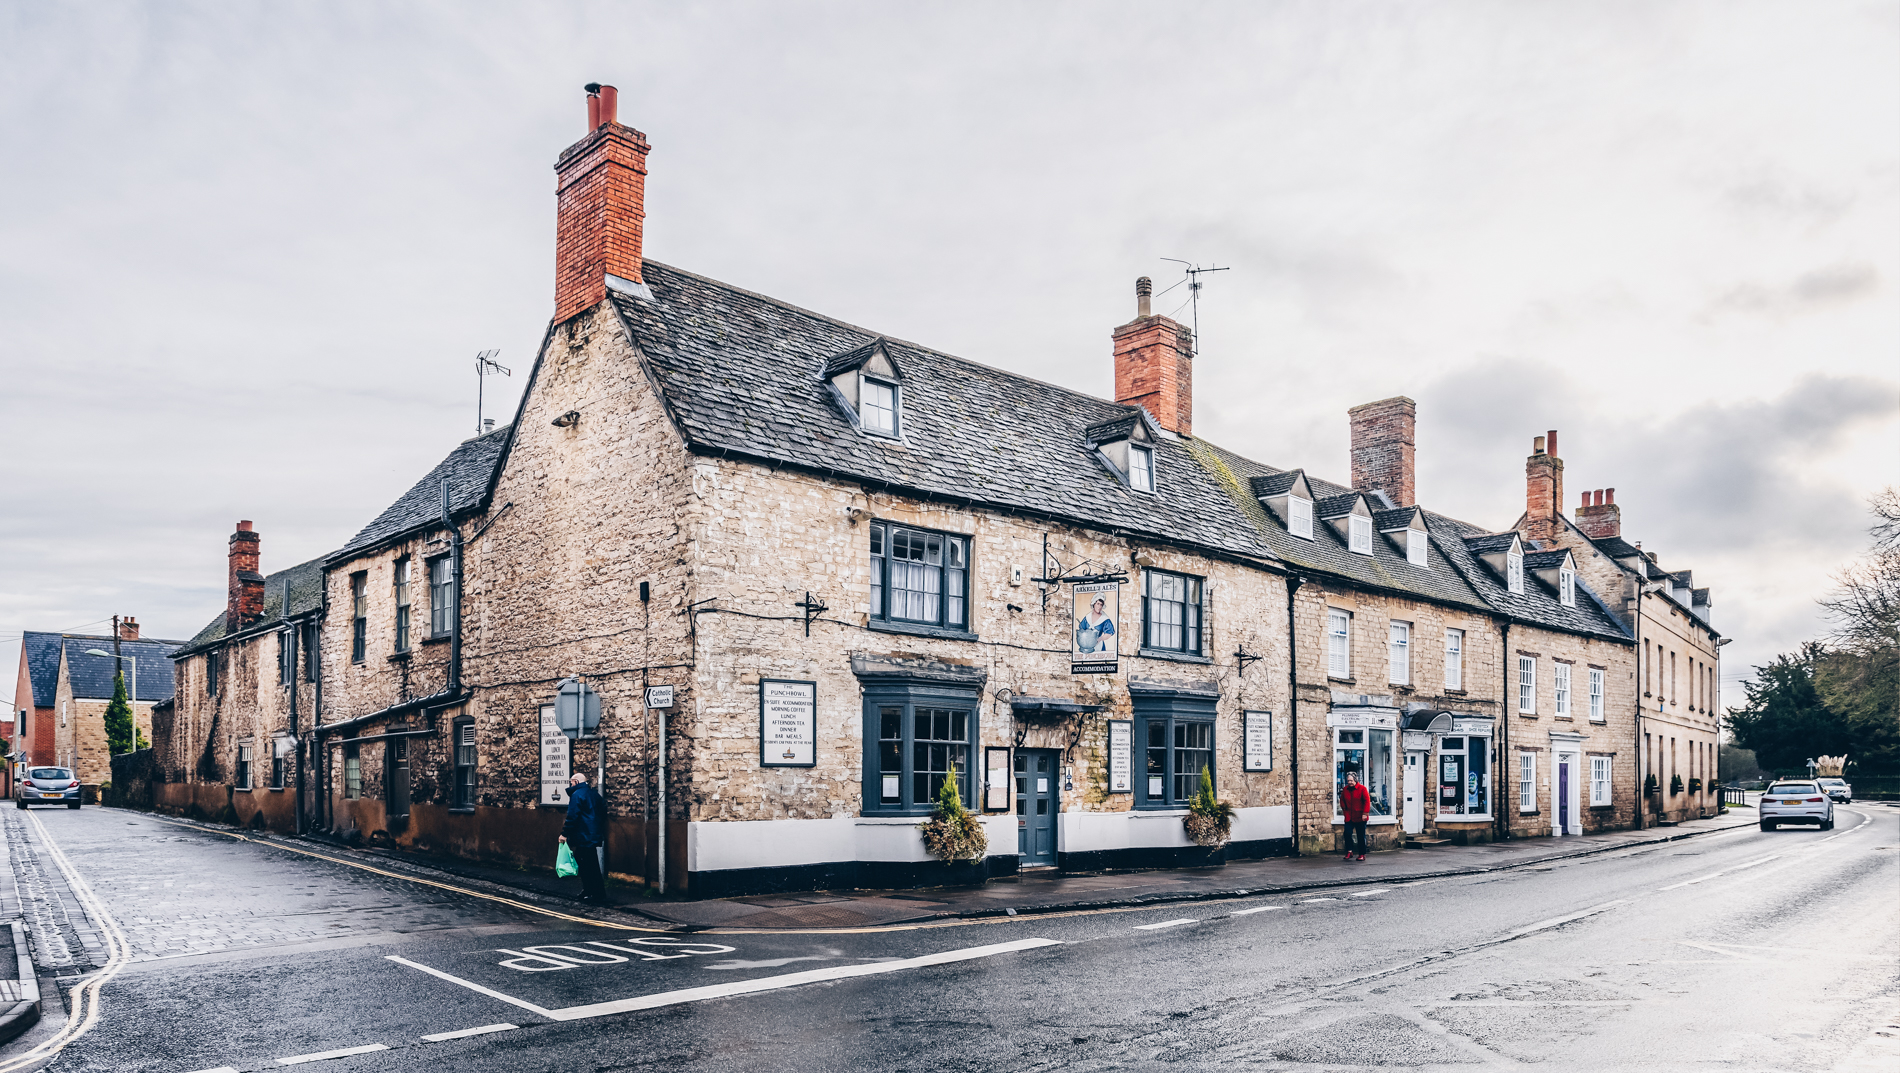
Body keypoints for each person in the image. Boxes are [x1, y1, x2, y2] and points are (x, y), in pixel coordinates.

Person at [559, 771, 608, 903]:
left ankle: (593, 893)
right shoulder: (594, 794)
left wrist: (564, 834)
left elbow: (572, 816)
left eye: (571, 782)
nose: (570, 784)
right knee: (591, 863)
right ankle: (592, 891)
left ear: (576, 782)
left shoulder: (577, 795)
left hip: (583, 835)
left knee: (587, 865)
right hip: (592, 834)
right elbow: (603, 810)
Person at [1339, 769, 1370, 861]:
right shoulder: (1345, 789)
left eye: (1351, 781)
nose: (1350, 782)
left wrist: (1365, 813)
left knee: (1360, 836)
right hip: (1349, 816)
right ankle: (1349, 851)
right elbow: (1342, 800)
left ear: (1355, 780)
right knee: (1347, 833)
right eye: (1348, 781)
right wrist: (1344, 809)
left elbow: (1367, 801)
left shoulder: (1362, 789)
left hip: (1360, 816)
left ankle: (1362, 854)